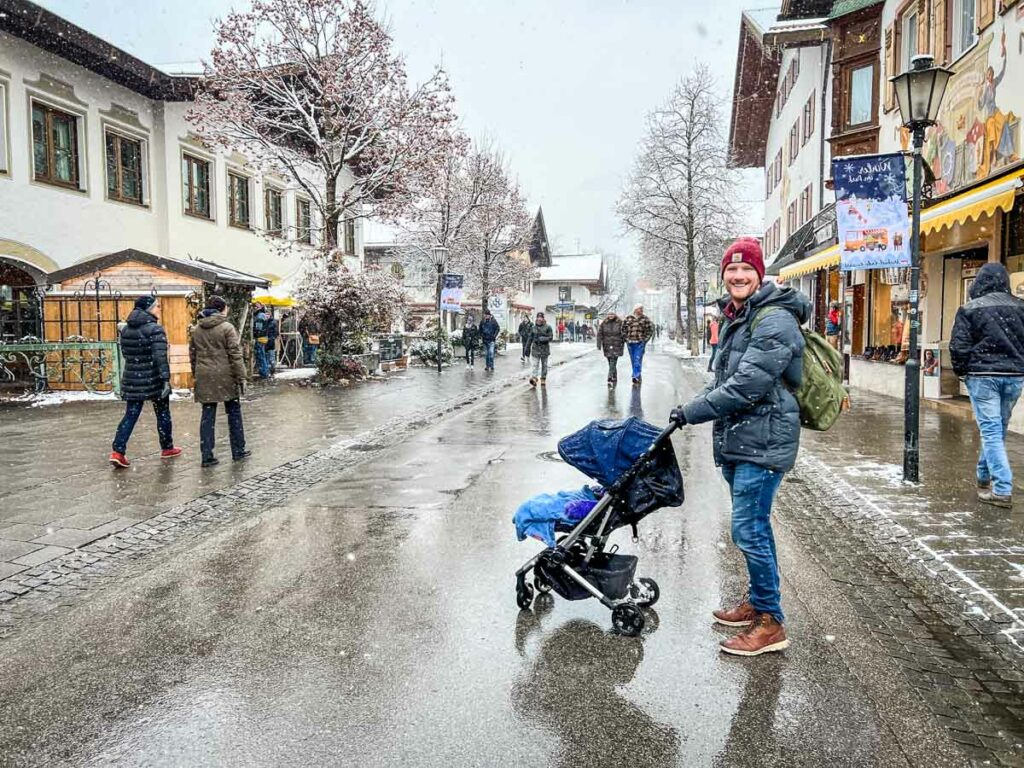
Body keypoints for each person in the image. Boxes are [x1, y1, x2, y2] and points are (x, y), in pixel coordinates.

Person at [670, 237, 810, 656]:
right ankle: (759, 602)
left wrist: (693, 411)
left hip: (763, 440)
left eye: (746, 269)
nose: (738, 275)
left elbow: (748, 384)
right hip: (745, 437)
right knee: (754, 527)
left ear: (759, 273)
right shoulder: (740, 316)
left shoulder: (775, 320)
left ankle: (771, 623)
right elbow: (725, 377)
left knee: (748, 529)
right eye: (731, 270)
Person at [950, 262, 1024, 508]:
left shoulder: (970, 309)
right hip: (1014, 375)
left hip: (982, 375)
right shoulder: (1020, 307)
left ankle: (1002, 488)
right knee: (997, 428)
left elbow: (959, 345)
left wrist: (962, 371)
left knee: (991, 430)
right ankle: (983, 476)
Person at [109, 295, 180, 468]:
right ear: (149, 309)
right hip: (154, 378)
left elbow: (127, 355)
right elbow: (160, 357)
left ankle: (118, 450)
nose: (159, 309)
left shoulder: (125, 330)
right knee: (163, 413)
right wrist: (165, 379)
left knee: (131, 414)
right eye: (157, 306)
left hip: (133, 378)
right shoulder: (155, 329)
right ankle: (167, 447)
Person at [190, 295, 250, 468]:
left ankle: (206, 455)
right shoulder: (227, 328)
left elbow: (192, 355)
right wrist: (242, 376)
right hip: (226, 375)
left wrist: (197, 373)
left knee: (207, 416)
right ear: (222, 309)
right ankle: (238, 450)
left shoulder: (196, 330)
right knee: (234, 413)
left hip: (205, 375)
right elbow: (235, 355)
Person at [622, 305, 655, 385]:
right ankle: (637, 374)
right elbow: (623, 329)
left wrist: (645, 340)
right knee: (633, 360)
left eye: (642, 309)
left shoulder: (645, 319)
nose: (641, 310)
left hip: (640, 343)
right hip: (630, 343)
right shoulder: (628, 318)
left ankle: (635, 376)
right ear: (635, 309)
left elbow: (650, 330)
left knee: (637, 359)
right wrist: (626, 339)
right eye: (640, 308)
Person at [596, 312, 626, 387]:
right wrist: (598, 344)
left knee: (613, 360)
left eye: (612, 314)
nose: (611, 316)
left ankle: (609, 376)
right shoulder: (604, 323)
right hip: (607, 344)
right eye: (609, 314)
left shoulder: (620, 323)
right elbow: (600, 334)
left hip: (617, 344)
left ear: (615, 315)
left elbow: (624, 333)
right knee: (610, 361)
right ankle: (614, 376)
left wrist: (624, 341)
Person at [529, 312, 554, 387]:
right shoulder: (533, 328)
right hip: (535, 349)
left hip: (544, 350)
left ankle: (543, 378)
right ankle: (534, 378)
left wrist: (543, 339)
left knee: (544, 365)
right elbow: (530, 338)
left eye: (541, 317)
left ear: (543, 318)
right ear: (536, 318)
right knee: (535, 365)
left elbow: (551, 337)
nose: (539, 319)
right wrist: (526, 349)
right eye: (538, 317)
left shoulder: (548, 327)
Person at [252, 302, 270, 379]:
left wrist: (255, 332)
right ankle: (264, 372)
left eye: (256, 307)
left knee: (261, 356)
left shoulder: (259, 316)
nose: (255, 308)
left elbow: (258, 328)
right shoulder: (262, 315)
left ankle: (264, 373)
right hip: (263, 337)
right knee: (262, 355)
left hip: (260, 338)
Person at [265, 307, 280, 375]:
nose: (266, 316)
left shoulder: (273, 322)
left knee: (271, 356)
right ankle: (268, 370)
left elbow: (276, 332)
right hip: (265, 341)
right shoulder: (264, 322)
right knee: (267, 356)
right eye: (266, 314)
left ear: (270, 315)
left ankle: (272, 369)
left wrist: (272, 338)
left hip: (271, 342)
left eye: (268, 314)